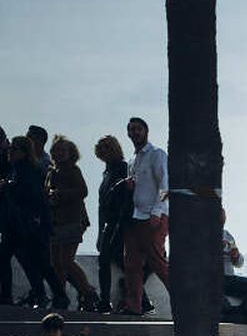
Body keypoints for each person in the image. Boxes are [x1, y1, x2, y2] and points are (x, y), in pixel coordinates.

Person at [122, 116, 169, 316]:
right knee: (131, 264)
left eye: (138, 129)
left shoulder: (156, 154)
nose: (134, 133)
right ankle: (133, 306)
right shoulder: (132, 160)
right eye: (131, 130)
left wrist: (157, 212)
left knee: (158, 262)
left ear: (146, 131)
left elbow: (165, 184)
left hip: (152, 217)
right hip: (134, 217)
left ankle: (182, 301)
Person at [45, 136, 97, 312]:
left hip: (72, 220)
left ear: (70, 153)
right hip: (56, 221)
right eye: (56, 150)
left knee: (66, 261)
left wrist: (61, 194)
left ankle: (88, 292)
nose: (59, 154)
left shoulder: (73, 170)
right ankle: (60, 297)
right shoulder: (52, 172)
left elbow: (83, 191)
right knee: (56, 263)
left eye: (62, 151)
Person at [4, 132, 53, 310]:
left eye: (14, 149)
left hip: (28, 224)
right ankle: (12, 296)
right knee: (27, 260)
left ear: (24, 151)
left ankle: (50, 294)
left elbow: (32, 196)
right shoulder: (17, 168)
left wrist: (10, 185)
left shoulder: (31, 169)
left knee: (38, 262)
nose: (10, 151)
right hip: (17, 223)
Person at [92, 135, 132, 313]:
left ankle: (105, 300)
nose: (103, 152)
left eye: (107, 148)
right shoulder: (107, 172)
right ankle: (142, 299)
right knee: (114, 259)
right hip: (108, 223)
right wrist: (101, 230)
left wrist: (120, 225)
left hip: (119, 222)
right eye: (101, 149)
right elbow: (103, 204)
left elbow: (126, 199)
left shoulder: (122, 168)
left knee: (107, 258)